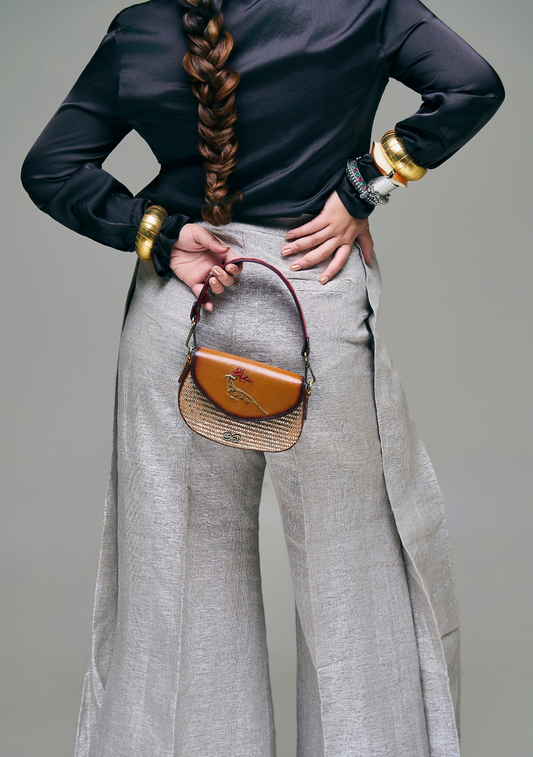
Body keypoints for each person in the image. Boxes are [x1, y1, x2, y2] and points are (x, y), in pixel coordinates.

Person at [21, 0, 504, 755]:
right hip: (314, 289)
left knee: (178, 583)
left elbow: (50, 167)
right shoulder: (363, 8)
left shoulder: (142, 28)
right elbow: (471, 84)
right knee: (356, 578)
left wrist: (158, 234)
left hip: (184, 303)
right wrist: (363, 186)